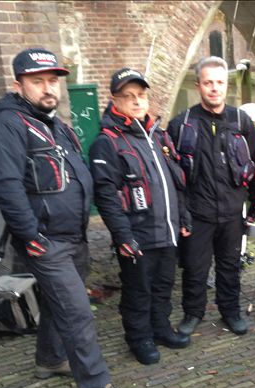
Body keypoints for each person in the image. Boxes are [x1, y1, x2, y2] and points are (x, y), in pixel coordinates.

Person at [0, 48, 131, 388]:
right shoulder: (8, 125)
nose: (48, 88)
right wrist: (31, 236)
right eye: (38, 81)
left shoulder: (54, 123)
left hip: (72, 236)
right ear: (18, 85)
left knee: (56, 302)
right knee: (78, 312)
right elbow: (5, 186)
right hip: (45, 241)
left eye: (53, 80)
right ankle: (96, 385)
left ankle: (50, 358)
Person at [90, 68, 192, 365]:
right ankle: (139, 338)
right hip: (137, 234)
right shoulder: (107, 142)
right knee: (138, 291)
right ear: (115, 100)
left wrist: (183, 217)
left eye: (141, 95)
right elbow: (106, 195)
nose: (136, 101)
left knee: (163, 286)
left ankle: (161, 328)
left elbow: (175, 181)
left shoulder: (158, 135)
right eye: (129, 96)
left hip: (167, 230)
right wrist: (122, 235)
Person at [167, 56, 255, 336]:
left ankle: (230, 311)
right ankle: (193, 312)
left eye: (219, 82)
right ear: (198, 86)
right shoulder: (181, 124)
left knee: (230, 266)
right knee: (195, 268)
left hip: (232, 212)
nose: (214, 88)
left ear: (226, 85)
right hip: (198, 213)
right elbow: (173, 177)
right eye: (208, 83)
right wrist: (181, 213)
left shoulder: (241, 121)